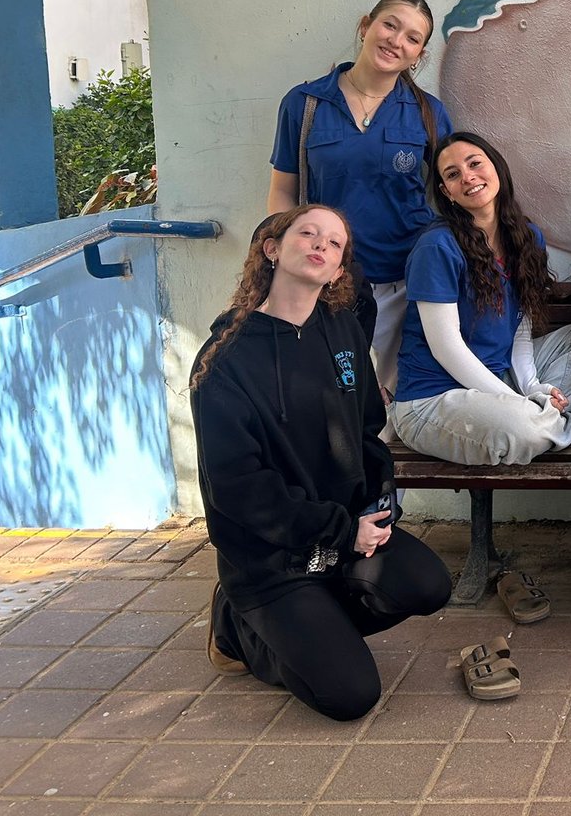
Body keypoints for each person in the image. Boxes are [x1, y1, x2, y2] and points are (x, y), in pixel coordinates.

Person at [190, 205, 451, 721]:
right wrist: (340, 531)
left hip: (343, 539)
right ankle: (239, 629)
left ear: (337, 270)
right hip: (272, 559)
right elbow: (237, 487)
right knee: (350, 696)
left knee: (428, 585)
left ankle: (313, 627)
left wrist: (376, 508)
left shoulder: (342, 330)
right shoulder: (225, 358)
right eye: (307, 233)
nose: (321, 246)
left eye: (335, 244)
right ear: (272, 249)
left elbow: (367, 429)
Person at [268, 0, 453, 395]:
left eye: (412, 38)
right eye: (390, 25)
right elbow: (283, 193)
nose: (396, 41)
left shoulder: (428, 112)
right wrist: (287, 265)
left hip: (405, 283)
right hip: (328, 280)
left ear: (419, 55)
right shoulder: (305, 104)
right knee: (330, 399)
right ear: (366, 26)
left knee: (394, 404)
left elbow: (454, 189)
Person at [389, 133, 571, 465]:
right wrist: (516, 402)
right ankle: (562, 423)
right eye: (453, 174)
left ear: (496, 167)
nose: (468, 177)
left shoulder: (526, 237)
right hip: (433, 399)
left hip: (499, 378)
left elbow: (519, 330)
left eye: (475, 163)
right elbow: (446, 348)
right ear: (446, 192)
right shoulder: (437, 247)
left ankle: (544, 414)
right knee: (524, 429)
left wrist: (531, 387)